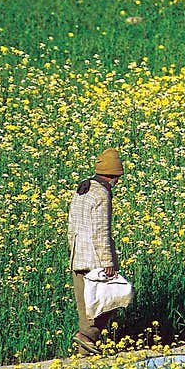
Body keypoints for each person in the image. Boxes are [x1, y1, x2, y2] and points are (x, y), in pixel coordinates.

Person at [67, 147, 124, 356]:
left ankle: (85, 355)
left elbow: (72, 224)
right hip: (95, 260)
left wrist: (72, 251)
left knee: (85, 306)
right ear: (113, 176)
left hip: (78, 256)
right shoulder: (102, 194)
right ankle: (87, 337)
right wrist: (107, 262)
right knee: (112, 299)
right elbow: (101, 230)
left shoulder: (83, 188)